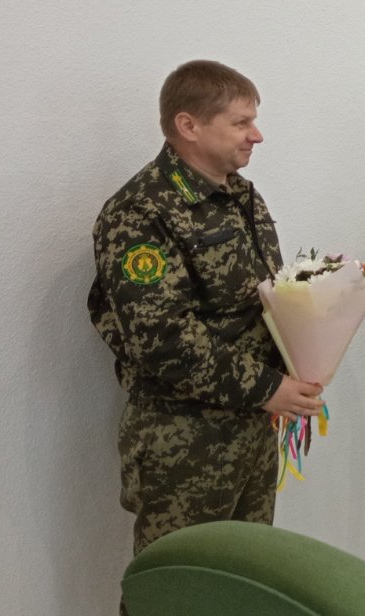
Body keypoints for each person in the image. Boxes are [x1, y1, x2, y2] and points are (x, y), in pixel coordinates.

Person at [89, 60, 324, 562]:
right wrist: (269, 387)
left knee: (242, 575)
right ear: (189, 125)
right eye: (241, 122)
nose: (256, 135)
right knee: (175, 585)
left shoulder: (241, 195)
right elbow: (161, 337)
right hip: (185, 438)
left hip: (253, 424)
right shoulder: (141, 211)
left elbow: (262, 300)